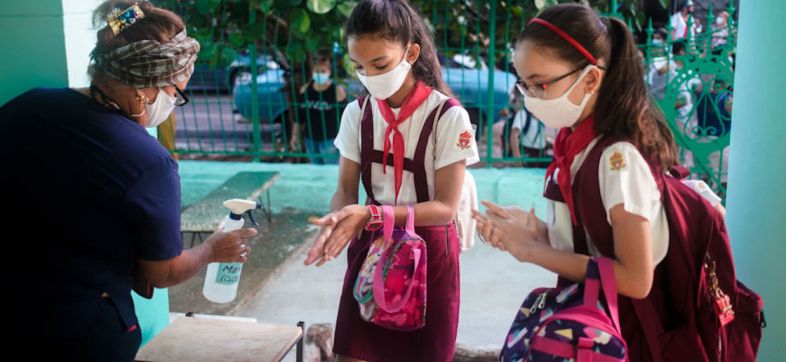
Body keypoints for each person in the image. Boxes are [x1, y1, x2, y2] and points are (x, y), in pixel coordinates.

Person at [0, 1, 256, 360]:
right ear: (145, 88)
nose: (174, 103)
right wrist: (213, 249)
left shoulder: (27, 106)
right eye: (175, 92)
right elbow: (163, 271)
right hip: (81, 334)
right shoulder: (148, 161)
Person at [472, 4, 681, 360]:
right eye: (524, 84)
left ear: (590, 78)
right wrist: (532, 229)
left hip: (623, 334)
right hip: (592, 324)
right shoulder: (575, 145)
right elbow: (592, 244)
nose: (530, 96)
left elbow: (635, 278)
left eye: (540, 84)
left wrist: (535, 252)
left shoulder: (618, 160)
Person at [302, 0, 479, 360]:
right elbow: (346, 190)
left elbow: (445, 208)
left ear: (411, 52)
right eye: (359, 67)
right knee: (353, 352)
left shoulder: (448, 116)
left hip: (429, 249)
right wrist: (337, 221)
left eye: (380, 64)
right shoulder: (357, 112)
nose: (369, 75)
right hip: (371, 247)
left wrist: (372, 216)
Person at [291, 50, 348, 165]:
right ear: (312, 72)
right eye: (317, 71)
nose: (319, 74)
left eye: (323, 71)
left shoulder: (337, 91)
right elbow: (299, 117)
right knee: (315, 171)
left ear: (329, 72)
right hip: (310, 139)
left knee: (331, 171)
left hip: (330, 139)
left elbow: (347, 116)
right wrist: (294, 136)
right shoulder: (305, 90)